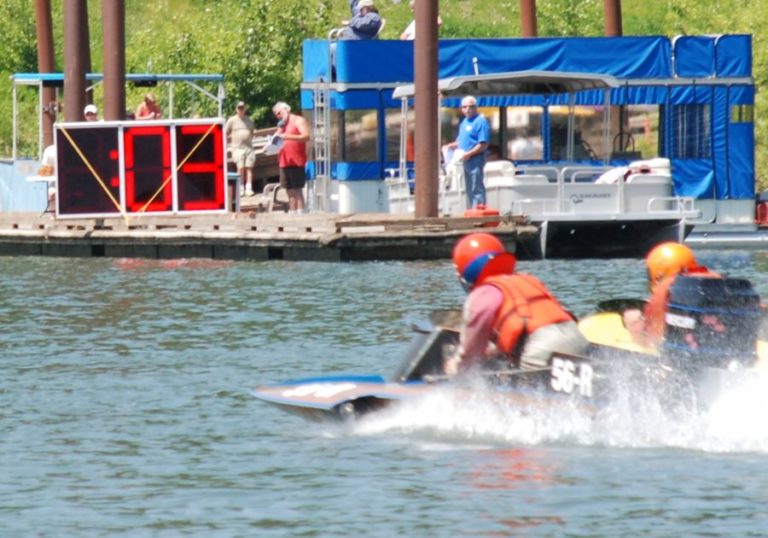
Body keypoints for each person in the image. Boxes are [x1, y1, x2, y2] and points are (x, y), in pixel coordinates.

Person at [446, 233, 588, 374]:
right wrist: (495, 351)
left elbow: (471, 349)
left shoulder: (483, 293)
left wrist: (456, 366)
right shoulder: (527, 280)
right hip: (577, 338)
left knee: (529, 391)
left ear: (464, 275)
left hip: (541, 348)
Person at [622, 242, 720, 348]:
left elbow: (652, 334)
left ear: (658, 273)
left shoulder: (666, 291)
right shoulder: (714, 286)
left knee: (632, 315)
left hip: (678, 352)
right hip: (715, 345)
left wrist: (633, 320)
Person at [442, 96, 490, 208]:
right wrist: (449, 146)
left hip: (475, 158)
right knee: (469, 186)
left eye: (471, 107)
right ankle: (473, 209)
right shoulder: (464, 122)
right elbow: (461, 141)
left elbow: (482, 144)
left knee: (476, 185)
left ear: (476, 108)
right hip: (464, 158)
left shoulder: (480, 122)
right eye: (465, 107)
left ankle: (479, 210)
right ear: (461, 109)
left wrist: (469, 154)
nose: (468, 109)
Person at [273, 101, 310, 213]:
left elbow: (306, 136)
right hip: (284, 161)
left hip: (296, 161)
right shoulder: (282, 125)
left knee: (297, 190)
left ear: (286, 109)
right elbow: (276, 139)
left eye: (279, 112)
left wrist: (288, 136)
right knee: (289, 191)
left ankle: (301, 214)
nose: (278, 116)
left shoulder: (298, 120)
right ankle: (292, 213)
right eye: (276, 114)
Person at [225, 101, 256, 197]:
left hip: (249, 147)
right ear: (236, 109)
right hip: (237, 147)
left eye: (242, 108)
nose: (241, 110)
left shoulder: (249, 120)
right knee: (240, 167)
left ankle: (249, 188)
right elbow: (225, 132)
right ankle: (241, 188)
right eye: (239, 108)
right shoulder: (232, 120)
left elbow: (252, 131)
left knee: (249, 167)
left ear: (245, 109)